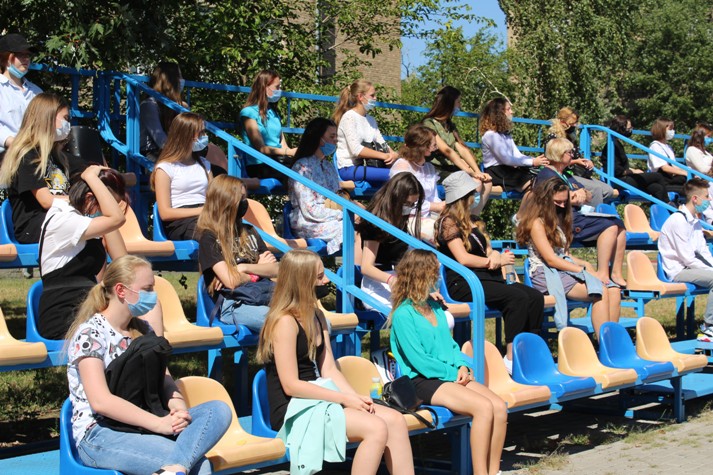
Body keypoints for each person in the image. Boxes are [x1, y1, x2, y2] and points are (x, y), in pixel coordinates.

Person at [66, 255, 231, 475]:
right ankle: (176, 467)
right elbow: (101, 402)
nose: (153, 296)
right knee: (200, 467)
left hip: (143, 421)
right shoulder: (90, 334)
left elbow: (165, 379)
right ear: (121, 290)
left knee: (218, 410)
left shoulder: (144, 329)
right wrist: (158, 424)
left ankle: (172, 469)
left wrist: (178, 408)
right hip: (100, 432)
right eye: (147, 289)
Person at [257, 249, 414, 475]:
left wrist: (355, 398)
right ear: (302, 282)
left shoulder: (317, 315)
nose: (326, 281)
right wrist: (344, 399)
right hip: (294, 407)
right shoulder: (284, 322)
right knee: (376, 428)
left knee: (396, 420)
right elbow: (291, 385)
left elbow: (329, 368)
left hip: (319, 398)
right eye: (320, 277)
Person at [388, 248, 507, 475]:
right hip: (422, 380)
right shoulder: (404, 315)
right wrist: (453, 373)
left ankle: (494, 471)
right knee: (483, 408)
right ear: (421, 274)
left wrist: (462, 365)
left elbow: (450, 345)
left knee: (499, 407)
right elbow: (420, 362)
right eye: (435, 271)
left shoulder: (434, 306)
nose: (438, 275)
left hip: (448, 373)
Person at [434, 171, 544, 372]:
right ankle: (511, 359)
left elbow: (488, 250)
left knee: (535, 297)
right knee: (517, 298)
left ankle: (529, 350)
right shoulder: (448, 222)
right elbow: (463, 258)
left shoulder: (473, 220)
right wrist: (491, 262)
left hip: (485, 278)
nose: (475, 197)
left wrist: (496, 256)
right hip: (464, 282)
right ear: (464, 197)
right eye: (472, 194)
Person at [39, 166, 160, 340]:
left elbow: (123, 262)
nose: (106, 211)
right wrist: (90, 177)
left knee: (146, 301)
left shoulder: (83, 221)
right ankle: (153, 352)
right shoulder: (63, 219)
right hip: (64, 314)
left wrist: (104, 218)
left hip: (87, 308)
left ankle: (156, 354)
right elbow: (117, 219)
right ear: (90, 198)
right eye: (106, 205)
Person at [516, 177, 620, 337]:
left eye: (565, 202)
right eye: (558, 202)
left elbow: (564, 254)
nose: (562, 206)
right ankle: (604, 344)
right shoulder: (536, 223)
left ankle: (613, 340)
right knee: (600, 291)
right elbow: (550, 259)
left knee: (613, 290)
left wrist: (586, 265)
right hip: (545, 272)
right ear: (545, 201)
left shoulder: (559, 218)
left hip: (562, 268)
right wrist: (582, 271)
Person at [537, 138, 627, 288]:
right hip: (562, 220)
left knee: (619, 225)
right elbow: (550, 199)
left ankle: (616, 273)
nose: (572, 155)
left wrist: (581, 194)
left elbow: (588, 195)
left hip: (577, 216)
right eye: (569, 152)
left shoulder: (566, 175)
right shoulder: (547, 175)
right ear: (559, 154)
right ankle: (602, 274)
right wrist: (572, 197)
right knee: (610, 226)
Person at [196, 175, 278, 331]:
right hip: (234, 304)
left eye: (245, 198)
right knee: (283, 322)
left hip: (264, 296)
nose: (245, 203)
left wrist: (243, 268)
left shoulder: (249, 231)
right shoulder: (209, 238)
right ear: (225, 202)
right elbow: (231, 282)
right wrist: (258, 271)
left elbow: (275, 269)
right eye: (241, 199)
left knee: (311, 317)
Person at [0, 92, 84, 243]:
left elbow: (92, 170)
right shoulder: (26, 156)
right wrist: (84, 201)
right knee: (94, 227)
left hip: (59, 219)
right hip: (34, 226)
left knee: (103, 224)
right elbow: (47, 201)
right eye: (65, 118)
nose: (68, 124)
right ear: (47, 119)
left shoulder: (58, 156)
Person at [140, 62, 227, 173]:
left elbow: (190, 132)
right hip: (154, 153)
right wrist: (186, 152)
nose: (182, 80)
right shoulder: (150, 104)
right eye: (179, 76)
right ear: (171, 80)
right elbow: (161, 140)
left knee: (218, 172)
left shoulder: (180, 105)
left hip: (179, 152)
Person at [356, 173, 424, 310]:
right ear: (395, 198)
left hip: (400, 280)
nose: (409, 208)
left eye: (413, 204)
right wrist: (391, 280)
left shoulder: (400, 219)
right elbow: (366, 267)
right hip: (378, 284)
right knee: (407, 315)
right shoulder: (375, 222)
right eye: (407, 204)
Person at [658, 177, 713, 342]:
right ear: (695, 199)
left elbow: (703, 251)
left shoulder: (695, 222)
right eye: (707, 196)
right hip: (678, 271)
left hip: (691, 267)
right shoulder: (678, 221)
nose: (710, 200)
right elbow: (688, 259)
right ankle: (709, 327)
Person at [421, 86, 491, 212]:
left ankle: (472, 217)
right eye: (458, 102)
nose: (460, 105)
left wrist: (477, 171)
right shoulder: (429, 124)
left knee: (486, 182)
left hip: (452, 170)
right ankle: (462, 217)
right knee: (472, 183)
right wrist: (470, 172)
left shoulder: (449, 125)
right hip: (438, 170)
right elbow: (447, 151)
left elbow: (462, 149)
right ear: (449, 103)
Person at [288, 117, 351, 255]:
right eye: (331, 136)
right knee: (351, 228)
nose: (335, 140)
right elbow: (310, 210)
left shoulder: (328, 166)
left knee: (364, 225)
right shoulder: (302, 167)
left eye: (336, 137)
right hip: (308, 222)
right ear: (319, 138)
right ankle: (354, 268)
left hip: (330, 218)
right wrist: (344, 214)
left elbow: (337, 198)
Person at [150, 112, 213, 241]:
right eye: (201, 133)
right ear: (186, 135)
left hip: (206, 216)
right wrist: (202, 211)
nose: (205, 136)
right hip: (181, 222)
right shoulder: (165, 168)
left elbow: (213, 196)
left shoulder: (204, 164)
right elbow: (165, 213)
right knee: (210, 235)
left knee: (242, 231)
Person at [542, 107, 615, 206]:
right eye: (572, 123)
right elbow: (553, 161)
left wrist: (585, 162)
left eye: (576, 123)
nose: (575, 126)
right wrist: (575, 162)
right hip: (564, 172)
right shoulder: (554, 139)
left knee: (609, 191)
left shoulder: (570, 137)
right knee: (596, 190)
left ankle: (589, 208)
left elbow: (576, 156)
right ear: (563, 122)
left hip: (576, 173)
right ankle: (592, 213)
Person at [333, 79, 398, 185]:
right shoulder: (349, 117)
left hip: (367, 166)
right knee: (397, 175)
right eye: (372, 95)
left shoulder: (371, 120)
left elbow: (382, 143)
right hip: (348, 167)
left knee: (404, 171)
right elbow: (356, 150)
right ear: (360, 97)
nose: (375, 98)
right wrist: (384, 156)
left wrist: (393, 154)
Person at [480, 97, 548, 192]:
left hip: (508, 170)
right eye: (508, 109)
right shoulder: (490, 135)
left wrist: (534, 160)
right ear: (499, 113)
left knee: (541, 179)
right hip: (497, 172)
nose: (512, 112)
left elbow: (517, 155)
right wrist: (532, 162)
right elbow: (506, 159)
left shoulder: (505, 134)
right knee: (534, 183)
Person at [389, 124, 444, 243]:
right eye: (434, 145)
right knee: (446, 234)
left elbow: (434, 197)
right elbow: (403, 204)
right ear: (423, 147)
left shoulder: (428, 168)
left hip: (427, 216)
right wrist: (434, 207)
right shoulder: (402, 167)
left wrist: (442, 207)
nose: (436, 148)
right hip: (406, 219)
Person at [239, 69, 295, 178]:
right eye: (277, 87)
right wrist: (288, 152)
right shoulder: (248, 113)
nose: (280, 90)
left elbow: (284, 145)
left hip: (278, 162)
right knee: (295, 176)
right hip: (259, 165)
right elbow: (261, 148)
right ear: (264, 88)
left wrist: (294, 152)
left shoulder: (273, 113)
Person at [600, 115, 669, 203]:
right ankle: (669, 205)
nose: (630, 130)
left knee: (657, 188)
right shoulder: (612, 145)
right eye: (629, 128)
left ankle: (662, 210)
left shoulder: (616, 144)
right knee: (657, 176)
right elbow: (617, 171)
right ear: (621, 128)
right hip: (618, 180)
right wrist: (633, 171)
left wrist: (633, 170)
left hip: (623, 178)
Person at [0, 33, 42, 159]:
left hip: (34, 153)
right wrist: (12, 142)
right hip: (5, 155)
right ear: (6, 58)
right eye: (20, 55)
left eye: (28, 55)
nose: (26, 59)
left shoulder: (36, 92)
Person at [648, 117, 686, 194]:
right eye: (670, 129)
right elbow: (665, 168)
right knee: (690, 190)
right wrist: (685, 173)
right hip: (662, 182)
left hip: (671, 179)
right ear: (662, 129)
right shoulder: (655, 146)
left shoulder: (668, 147)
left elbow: (674, 165)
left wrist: (687, 172)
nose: (672, 131)